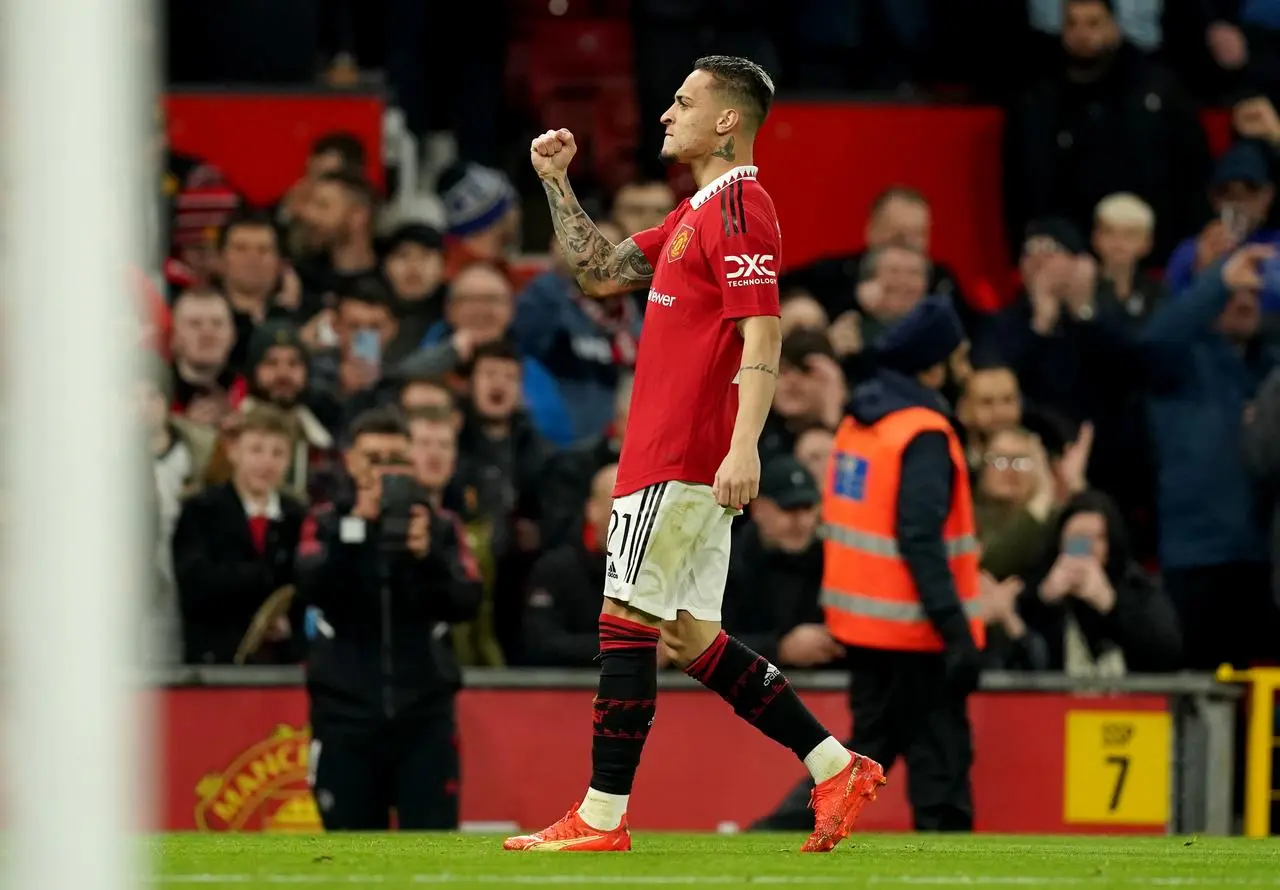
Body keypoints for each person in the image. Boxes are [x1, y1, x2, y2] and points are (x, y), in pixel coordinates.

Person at [505, 55, 885, 856]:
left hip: (681, 456)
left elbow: (764, 328)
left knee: (626, 622)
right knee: (685, 636)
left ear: (725, 121)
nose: (666, 112)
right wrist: (554, 181)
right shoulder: (695, 212)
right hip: (679, 460)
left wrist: (744, 445)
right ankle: (833, 764)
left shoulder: (743, 207)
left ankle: (601, 817)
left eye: (683, 101)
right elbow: (602, 273)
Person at [815, 297, 983, 831]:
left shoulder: (861, 420)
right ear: (933, 366)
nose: (965, 370)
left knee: (859, 757)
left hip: (864, 627)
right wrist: (956, 631)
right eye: (959, 358)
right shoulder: (922, 431)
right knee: (942, 774)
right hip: (916, 633)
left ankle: (779, 833)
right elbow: (919, 538)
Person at [301, 408, 482, 831]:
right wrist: (357, 529)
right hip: (344, 717)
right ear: (350, 461)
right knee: (348, 855)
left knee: (433, 847)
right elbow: (310, 587)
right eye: (373, 458)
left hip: (424, 719)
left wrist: (428, 558)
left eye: (395, 458)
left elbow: (467, 600)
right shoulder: (326, 522)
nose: (384, 469)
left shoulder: (439, 526)